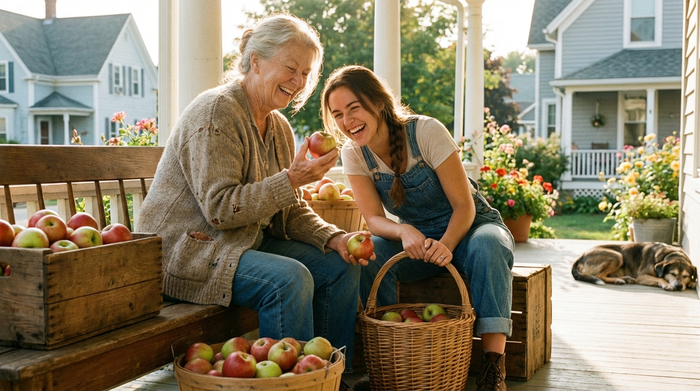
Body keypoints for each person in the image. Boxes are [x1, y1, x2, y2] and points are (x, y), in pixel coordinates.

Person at [137, 14, 372, 375]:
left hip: (241, 244)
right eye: (291, 68)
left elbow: (288, 213)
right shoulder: (217, 110)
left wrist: (335, 237)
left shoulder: (277, 125)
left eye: (306, 73)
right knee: (289, 279)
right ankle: (294, 384)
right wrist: (291, 179)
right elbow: (220, 210)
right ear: (256, 60)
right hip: (191, 250)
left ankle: (331, 380)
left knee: (340, 265)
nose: (298, 82)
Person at [320, 65, 515, 391]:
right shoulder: (354, 153)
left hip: (471, 228)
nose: (347, 121)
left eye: (354, 108)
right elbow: (374, 220)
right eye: (338, 114)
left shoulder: (425, 131)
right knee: (368, 252)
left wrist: (448, 243)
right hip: (420, 239)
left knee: (489, 246)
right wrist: (405, 232)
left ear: (378, 102)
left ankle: (493, 368)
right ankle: (383, 360)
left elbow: (464, 206)